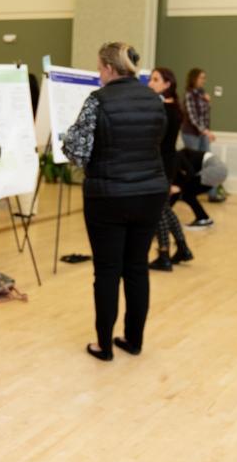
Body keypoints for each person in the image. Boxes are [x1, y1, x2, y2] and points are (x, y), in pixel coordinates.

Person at [63, 42, 167, 361]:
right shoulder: (155, 99)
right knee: (137, 268)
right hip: (150, 193)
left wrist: (67, 138)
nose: (98, 75)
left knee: (107, 270)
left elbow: (77, 151)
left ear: (108, 68)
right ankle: (133, 340)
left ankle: (104, 345)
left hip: (108, 195)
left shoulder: (98, 101)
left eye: (99, 68)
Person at [147, 67, 192, 271]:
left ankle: (164, 254)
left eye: (155, 80)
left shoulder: (163, 109)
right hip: (168, 162)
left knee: (157, 210)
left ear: (167, 84)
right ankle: (182, 248)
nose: (150, 83)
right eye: (150, 79)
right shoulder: (173, 108)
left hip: (160, 164)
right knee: (164, 208)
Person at [180, 68, 215, 153]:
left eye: (204, 78)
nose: (203, 80)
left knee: (206, 157)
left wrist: (208, 101)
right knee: (194, 160)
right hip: (191, 134)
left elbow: (204, 115)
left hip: (203, 133)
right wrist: (206, 132)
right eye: (201, 78)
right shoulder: (189, 94)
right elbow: (193, 118)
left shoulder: (202, 93)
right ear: (194, 79)